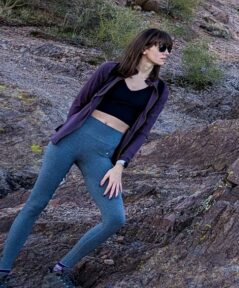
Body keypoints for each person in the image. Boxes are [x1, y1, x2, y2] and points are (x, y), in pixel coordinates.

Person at [0, 28, 172, 288]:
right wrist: (68, 132)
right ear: (145, 47)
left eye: (169, 49)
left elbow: (143, 131)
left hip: (102, 155)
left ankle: (60, 268)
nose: (166, 53)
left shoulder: (159, 90)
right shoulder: (110, 70)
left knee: (115, 218)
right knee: (35, 204)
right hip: (71, 141)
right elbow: (79, 103)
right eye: (162, 47)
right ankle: (2, 271)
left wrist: (120, 165)